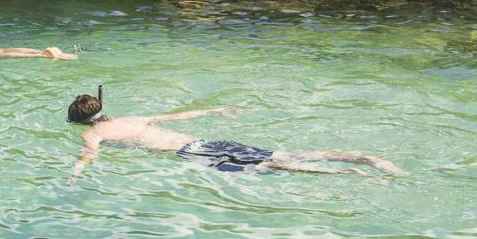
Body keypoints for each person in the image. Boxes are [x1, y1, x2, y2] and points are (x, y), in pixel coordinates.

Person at [66, 91, 403, 178]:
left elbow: (88, 156)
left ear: (81, 121)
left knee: (266, 167)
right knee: (282, 155)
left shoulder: (96, 133)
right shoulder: (132, 117)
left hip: (191, 155)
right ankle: (361, 158)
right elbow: (180, 114)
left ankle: (345, 173)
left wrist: (75, 174)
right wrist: (215, 111)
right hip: (201, 141)